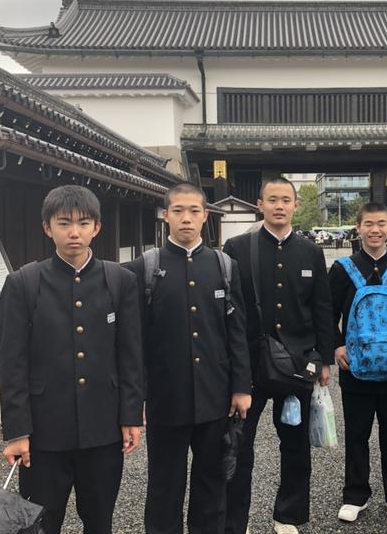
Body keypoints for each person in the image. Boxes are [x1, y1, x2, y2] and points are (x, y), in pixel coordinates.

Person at [0, 185, 144, 534]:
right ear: (47, 228)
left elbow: (130, 355)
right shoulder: (23, 283)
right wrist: (17, 431)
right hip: (44, 432)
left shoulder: (120, 281)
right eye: (64, 223)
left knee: (100, 521)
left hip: (103, 428)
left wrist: (130, 416)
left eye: (83, 223)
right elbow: (12, 362)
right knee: (42, 524)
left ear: (97, 227)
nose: (74, 232)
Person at [126, 183, 252, 534]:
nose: (186, 218)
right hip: (166, 397)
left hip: (215, 394)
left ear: (205, 216)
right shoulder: (145, 268)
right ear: (165, 215)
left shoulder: (224, 266)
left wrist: (242, 386)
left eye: (194, 211)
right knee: (164, 484)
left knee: (212, 482)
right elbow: (134, 341)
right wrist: (136, 398)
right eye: (178, 210)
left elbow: (237, 332)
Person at [223, 177, 333, 534]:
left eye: (286, 199)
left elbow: (322, 306)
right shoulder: (238, 247)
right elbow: (230, 308)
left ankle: (288, 515)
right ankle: (234, 522)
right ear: (260, 205)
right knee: (238, 445)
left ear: (296, 205)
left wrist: (324, 357)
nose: (279, 206)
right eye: (272, 199)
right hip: (249, 364)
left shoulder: (310, 251)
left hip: (298, 364)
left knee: (295, 444)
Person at [329, 202, 387, 524]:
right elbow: (327, 312)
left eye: (381, 223)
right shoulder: (342, 269)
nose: (375, 230)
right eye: (368, 224)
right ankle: (355, 495)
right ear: (358, 228)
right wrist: (337, 344)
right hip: (355, 365)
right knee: (357, 434)